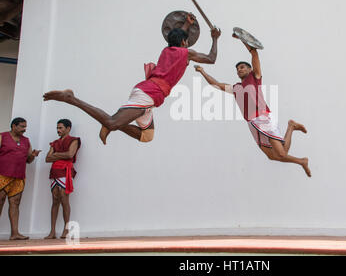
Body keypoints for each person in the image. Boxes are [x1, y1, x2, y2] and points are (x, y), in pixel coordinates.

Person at [43, 14, 221, 145]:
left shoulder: (167, 50)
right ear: (184, 43)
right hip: (148, 94)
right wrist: (215, 39)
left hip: (149, 95)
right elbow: (211, 58)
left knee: (146, 136)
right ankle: (71, 99)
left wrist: (186, 25)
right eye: (186, 41)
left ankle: (117, 125)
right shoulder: (186, 53)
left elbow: (176, 37)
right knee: (112, 122)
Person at [194, 34, 311, 177]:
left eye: (242, 67)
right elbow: (216, 85)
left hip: (263, 117)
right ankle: (291, 127)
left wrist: (242, 38)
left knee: (281, 153)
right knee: (273, 156)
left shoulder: (254, 77)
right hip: (251, 123)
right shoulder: (236, 88)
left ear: (249, 70)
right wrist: (202, 71)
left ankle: (301, 160)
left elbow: (254, 52)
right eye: (237, 69)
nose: (239, 70)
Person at [0, 117, 41, 240]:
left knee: (15, 204)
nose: (24, 129)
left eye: (25, 126)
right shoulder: (2, 136)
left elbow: (28, 160)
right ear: (13, 126)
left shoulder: (26, 141)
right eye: (22, 126)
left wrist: (33, 155)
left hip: (19, 177)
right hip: (2, 175)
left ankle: (15, 233)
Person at [44, 119, 81, 239]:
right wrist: (60, 155)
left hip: (65, 171)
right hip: (54, 172)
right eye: (57, 128)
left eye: (61, 128)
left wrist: (55, 155)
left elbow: (70, 155)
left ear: (68, 128)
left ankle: (66, 230)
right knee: (54, 200)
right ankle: (52, 231)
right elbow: (47, 158)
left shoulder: (74, 140)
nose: (58, 130)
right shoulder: (54, 142)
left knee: (64, 199)